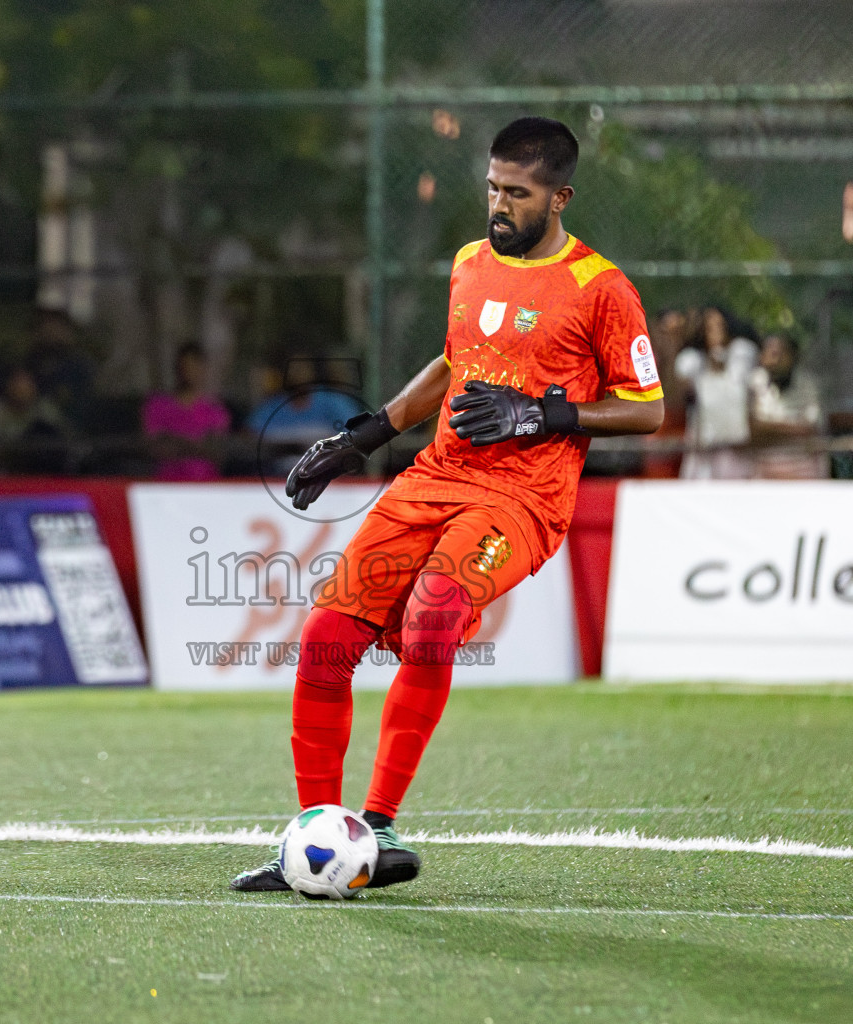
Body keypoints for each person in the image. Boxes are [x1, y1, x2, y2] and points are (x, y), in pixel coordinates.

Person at [230, 116, 663, 893]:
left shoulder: (601, 289)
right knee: (327, 636)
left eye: (519, 194)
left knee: (433, 617)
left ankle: (382, 826)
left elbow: (648, 408)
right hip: (434, 479)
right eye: (493, 188)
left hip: (523, 499)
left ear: (560, 197)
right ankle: (318, 837)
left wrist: (544, 413)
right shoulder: (470, 261)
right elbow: (452, 363)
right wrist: (358, 439)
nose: (499, 207)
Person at [674, 307, 757, 479]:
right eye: (709, 327)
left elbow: (740, 384)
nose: (715, 331)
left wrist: (720, 363)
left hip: (735, 443)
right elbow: (679, 389)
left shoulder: (743, 351)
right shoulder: (692, 360)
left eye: (720, 325)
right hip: (703, 442)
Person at [141, 343, 231, 480]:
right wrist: (196, 445)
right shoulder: (157, 406)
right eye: (186, 366)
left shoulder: (215, 410)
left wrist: (178, 442)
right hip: (167, 484)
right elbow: (156, 447)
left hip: (206, 485)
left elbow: (216, 450)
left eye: (195, 366)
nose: (190, 372)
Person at [748, 333, 828, 479]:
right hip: (764, 468)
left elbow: (811, 428)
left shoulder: (808, 386)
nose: (775, 359)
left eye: (781, 353)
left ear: (793, 356)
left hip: (803, 467)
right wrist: (791, 429)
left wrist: (768, 430)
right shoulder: (754, 383)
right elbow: (752, 430)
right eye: (771, 353)